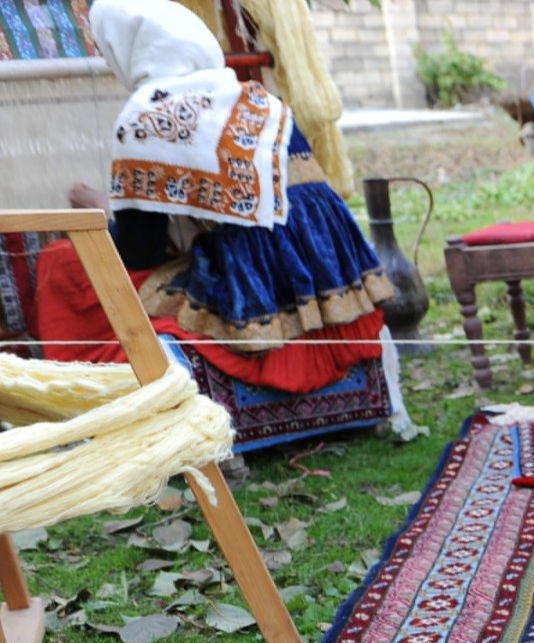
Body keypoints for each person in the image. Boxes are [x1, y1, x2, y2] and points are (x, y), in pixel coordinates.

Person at [31, 0, 395, 398]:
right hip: (335, 281)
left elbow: (140, 253)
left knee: (66, 262)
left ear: (129, 49)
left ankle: (79, 396)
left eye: (105, 49)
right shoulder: (258, 100)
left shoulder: (148, 117)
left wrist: (104, 213)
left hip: (259, 291)